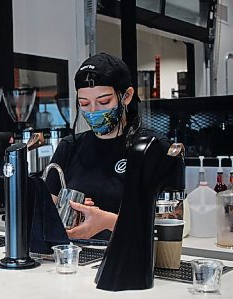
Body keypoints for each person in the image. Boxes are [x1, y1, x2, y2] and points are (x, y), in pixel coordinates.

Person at [45, 53, 169, 240]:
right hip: (78, 258)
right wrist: (67, 212)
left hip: (132, 259)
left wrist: (108, 222)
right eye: (84, 104)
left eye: (104, 102)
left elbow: (171, 223)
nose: (93, 111)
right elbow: (45, 216)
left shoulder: (152, 147)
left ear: (126, 96)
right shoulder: (69, 147)